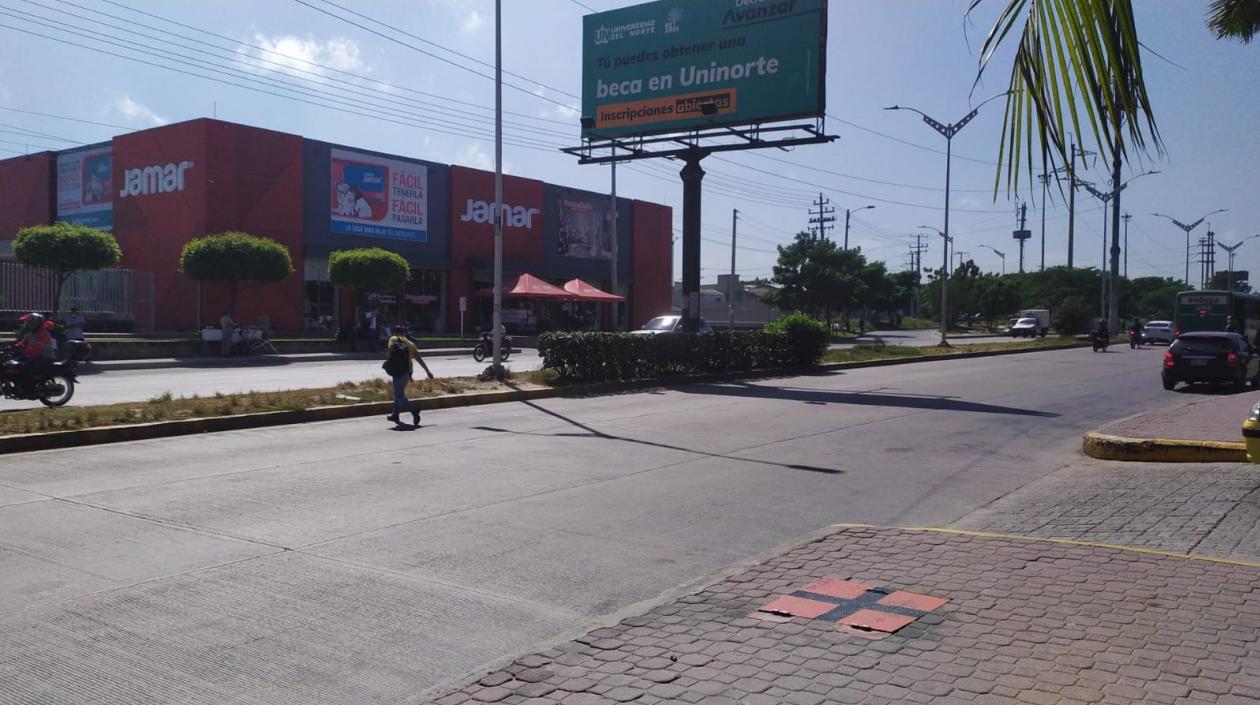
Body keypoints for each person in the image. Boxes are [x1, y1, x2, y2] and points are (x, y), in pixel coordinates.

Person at [384, 324, 433, 426]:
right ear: (404, 333)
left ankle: (413, 410)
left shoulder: (393, 338)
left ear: (395, 332)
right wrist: (427, 371)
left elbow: (390, 351)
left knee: (398, 395)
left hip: (397, 371)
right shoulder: (411, 343)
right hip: (407, 372)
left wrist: (388, 360)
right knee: (399, 393)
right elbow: (419, 358)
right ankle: (395, 415)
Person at [11, 313, 55, 392]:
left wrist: (23, 350)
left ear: (36, 323)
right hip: (34, 356)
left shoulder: (44, 333)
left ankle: (30, 388)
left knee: (25, 365)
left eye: (29, 322)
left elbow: (36, 349)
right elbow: (22, 344)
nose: (27, 324)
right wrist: (11, 348)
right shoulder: (30, 333)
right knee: (13, 363)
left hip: (45, 358)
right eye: (27, 322)